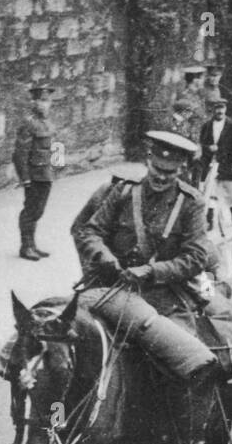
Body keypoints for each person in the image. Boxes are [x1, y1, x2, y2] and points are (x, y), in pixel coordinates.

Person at [72, 129, 218, 390]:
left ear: (181, 169)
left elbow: (196, 257)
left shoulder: (191, 203)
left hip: (165, 298)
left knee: (181, 368)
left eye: (169, 172)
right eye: (157, 169)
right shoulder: (124, 192)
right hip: (111, 290)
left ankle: (175, 430)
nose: (161, 177)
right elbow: (90, 231)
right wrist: (104, 256)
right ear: (148, 161)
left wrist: (151, 271)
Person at [13, 84, 58, 260]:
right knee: (30, 211)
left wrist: (57, 168)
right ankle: (26, 247)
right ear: (33, 102)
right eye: (41, 101)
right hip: (34, 176)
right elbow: (20, 154)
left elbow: (54, 147)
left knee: (38, 210)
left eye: (47, 101)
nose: (44, 105)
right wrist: (25, 179)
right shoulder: (28, 124)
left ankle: (32, 245)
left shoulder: (48, 123)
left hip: (46, 174)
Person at [198, 96, 232, 215]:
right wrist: (208, 148)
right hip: (212, 166)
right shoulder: (206, 126)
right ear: (212, 110)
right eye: (217, 108)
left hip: (229, 166)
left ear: (226, 109)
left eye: (222, 108)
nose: (220, 111)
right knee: (210, 192)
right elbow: (202, 144)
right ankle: (209, 219)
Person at [173, 66, 207, 136]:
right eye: (202, 78)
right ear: (195, 80)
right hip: (189, 136)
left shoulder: (197, 96)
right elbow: (178, 122)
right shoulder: (186, 98)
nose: (204, 81)